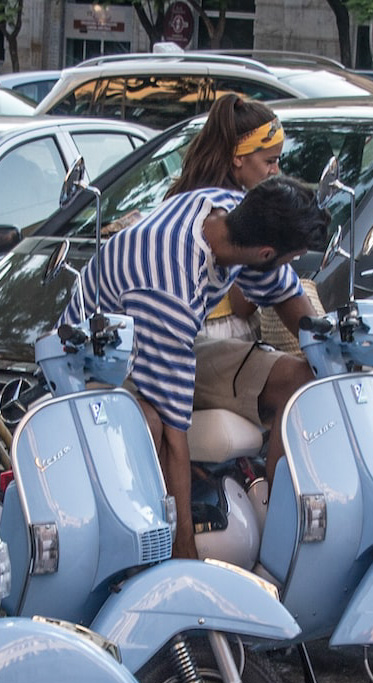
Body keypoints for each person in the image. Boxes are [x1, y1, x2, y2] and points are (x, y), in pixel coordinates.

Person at [62, 175, 329, 559]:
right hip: (95, 364)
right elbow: (174, 433)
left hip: (165, 341)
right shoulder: (171, 288)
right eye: (290, 258)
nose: (290, 266)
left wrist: (326, 358)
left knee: (303, 381)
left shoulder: (233, 209)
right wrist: (184, 547)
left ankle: (281, 535)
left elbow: (288, 295)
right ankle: (142, 557)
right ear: (267, 252)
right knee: (151, 425)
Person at [167, 94, 317, 497]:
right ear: (238, 158)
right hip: (181, 349)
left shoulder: (243, 209)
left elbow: (283, 291)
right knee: (301, 380)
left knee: (306, 378)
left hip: (206, 349)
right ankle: (276, 509)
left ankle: (276, 507)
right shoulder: (228, 218)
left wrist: (326, 345)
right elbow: (252, 299)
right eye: (269, 161)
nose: (276, 171)